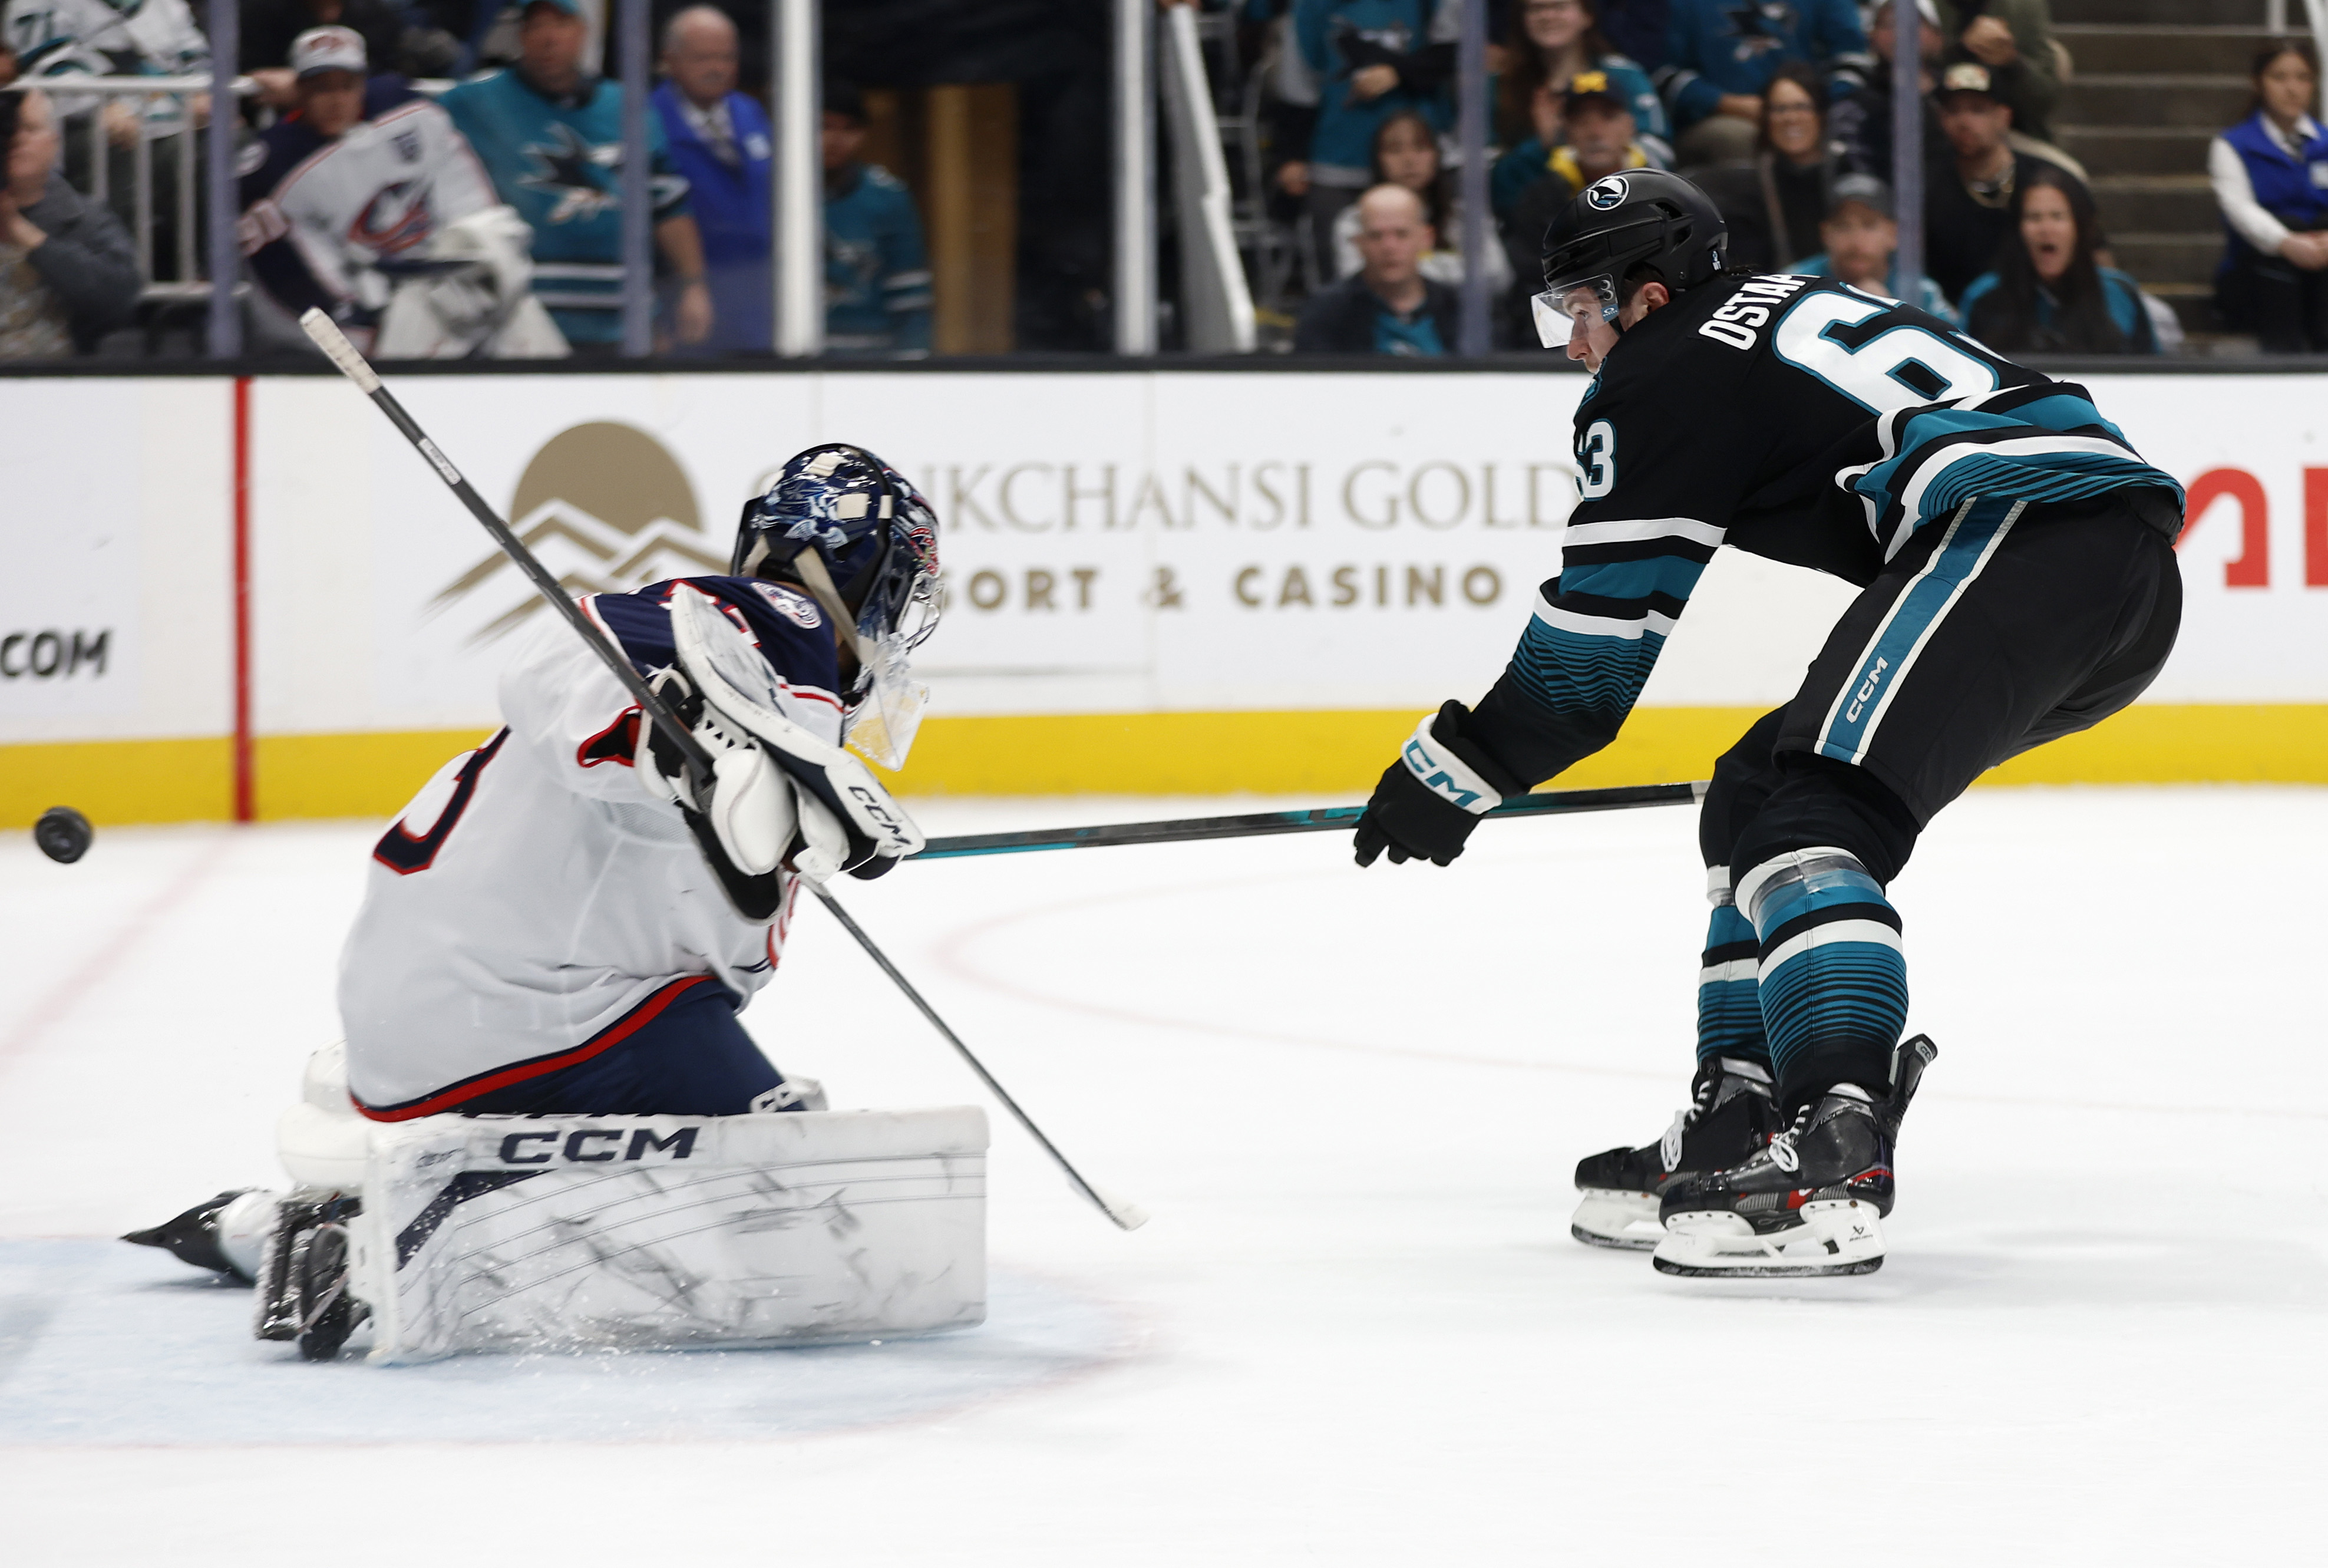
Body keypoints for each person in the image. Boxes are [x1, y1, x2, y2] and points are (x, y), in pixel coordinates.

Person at [1352, 168, 2182, 1276]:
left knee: (1812, 820)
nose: (1573, 344)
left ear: (1646, 298)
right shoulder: (1761, 311)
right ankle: (1738, 1116)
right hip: (2104, 563)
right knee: (1753, 793)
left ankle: (1833, 1152)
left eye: (1580, 310)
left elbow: (1585, 674)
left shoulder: (1659, 371)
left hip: (2022, 532)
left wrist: (1451, 773)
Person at [123, 445, 945, 1338]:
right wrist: (681, 751)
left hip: (443, 1014)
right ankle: (378, 1248)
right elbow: (562, 658)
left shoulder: (758, 684)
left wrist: (807, 812)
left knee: (725, 1152)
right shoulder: (772, 624)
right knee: (796, 1200)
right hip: (541, 1016)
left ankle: (292, 1225)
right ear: (870, 576)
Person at [239, 27, 564, 357]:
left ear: (363, 83)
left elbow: (473, 208)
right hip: (390, 311)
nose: (336, 100)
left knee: (525, 321)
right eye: (322, 88)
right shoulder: (275, 170)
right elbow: (297, 284)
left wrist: (476, 272)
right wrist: (368, 331)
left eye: (346, 86)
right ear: (299, 91)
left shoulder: (407, 111)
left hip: (455, 282)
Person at [440, 0, 713, 353]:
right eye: (537, 26)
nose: (549, 38)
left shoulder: (628, 107)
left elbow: (669, 205)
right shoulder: (472, 104)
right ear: (521, 36)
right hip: (521, 325)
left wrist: (694, 284)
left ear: (584, 33)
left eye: (561, 23)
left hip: (622, 324)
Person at [1293, 0, 1452, 280]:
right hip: (1338, 164)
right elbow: (1299, 89)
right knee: (1342, 277)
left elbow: (1459, 52)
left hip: (1423, 160)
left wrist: (1400, 71)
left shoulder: (1435, 5)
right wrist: (1290, 154)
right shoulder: (1311, 7)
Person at [652, 5, 770, 355]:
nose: (717, 68)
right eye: (703, 58)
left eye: (726, 57)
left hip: (759, 307)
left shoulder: (751, 113)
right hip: (684, 310)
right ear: (669, 60)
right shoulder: (646, 120)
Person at [1923, 59, 2081, 306]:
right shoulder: (1927, 188)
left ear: (2004, 117)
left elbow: (2094, 260)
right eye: (1953, 110)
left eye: (1977, 110)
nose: (1964, 121)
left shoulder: (2048, 181)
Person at [1959, 163, 2157, 355]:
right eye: (2034, 217)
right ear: (2018, 229)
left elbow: (2150, 369)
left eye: (2057, 216)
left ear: (2079, 226)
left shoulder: (2119, 293)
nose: (2046, 229)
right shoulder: (1983, 297)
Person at [2210, 39, 2328, 355]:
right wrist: (2286, 243)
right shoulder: (2233, 145)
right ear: (2258, 83)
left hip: (2321, 271)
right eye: (2280, 77)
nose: (2293, 89)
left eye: (2303, 78)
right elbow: (2239, 208)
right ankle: (2284, 358)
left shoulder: (2326, 142)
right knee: (2287, 230)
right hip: (2257, 275)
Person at [0, 84, 137, 356]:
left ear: (54, 142)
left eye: (30, 129)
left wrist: (27, 236)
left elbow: (118, 300)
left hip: (52, 373)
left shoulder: (85, 219)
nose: (17, 139)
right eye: (7, 129)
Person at [1654, 0, 1870, 167]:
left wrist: (1818, 106)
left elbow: (1852, 59)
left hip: (1813, 109)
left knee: (1845, 128)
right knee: (1738, 137)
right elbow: (1664, 75)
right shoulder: (1686, 5)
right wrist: (1725, 103)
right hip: (1725, 117)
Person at [1685, 62, 1841, 273]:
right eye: (1779, 109)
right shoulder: (1745, 191)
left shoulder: (1847, 171)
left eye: (1801, 107)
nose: (1790, 118)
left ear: (1821, 114)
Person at [1333, 108, 1509, 291]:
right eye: (1395, 150)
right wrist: (1453, 265)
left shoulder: (1464, 215)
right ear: (1378, 159)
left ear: (1437, 155)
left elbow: (1497, 275)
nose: (1409, 160)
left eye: (1420, 147)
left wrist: (1404, 267)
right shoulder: (1354, 221)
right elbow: (1357, 282)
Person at [822, 79, 931, 356]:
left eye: (850, 129)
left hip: (872, 360)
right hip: (790, 363)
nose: (837, 140)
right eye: (824, 126)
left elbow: (909, 296)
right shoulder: (771, 194)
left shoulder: (888, 197)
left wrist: (912, 362)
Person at [1495, 0, 1669, 169]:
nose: (1547, 16)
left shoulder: (1625, 76)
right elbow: (1492, 172)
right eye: (1536, 9)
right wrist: (1543, 145)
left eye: (1560, 6)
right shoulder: (1502, 85)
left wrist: (1611, 164)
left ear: (1587, 15)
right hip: (1543, 188)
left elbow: (1660, 152)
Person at [1295, 181, 1459, 352]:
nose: (1389, 247)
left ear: (1426, 239)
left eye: (1401, 234)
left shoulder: (1459, 308)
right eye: (1376, 236)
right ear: (1359, 243)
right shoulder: (1326, 311)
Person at [1783, 171, 1953, 320]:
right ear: (1825, 234)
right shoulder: (1793, 285)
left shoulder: (1921, 292)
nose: (1856, 240)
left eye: (1869, 225)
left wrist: (1893, 315)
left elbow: (1954, 344)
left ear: (1893, 234)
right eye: (1843, 226)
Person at [1827, 0, 1943, 181]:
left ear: (1938, 36)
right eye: (1889, 25)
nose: (1901, 32)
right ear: (1872, 37)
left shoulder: (1957, 96)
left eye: (1913, 22)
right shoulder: (1858, 107)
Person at [1932, 0, 2058, 148]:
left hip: (2017, 134)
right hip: (1934, 133)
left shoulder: (2024, 7)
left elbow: (2046, 97)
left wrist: (2011, 61)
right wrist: (1962, 50)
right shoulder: (1925, 6)